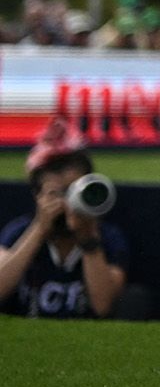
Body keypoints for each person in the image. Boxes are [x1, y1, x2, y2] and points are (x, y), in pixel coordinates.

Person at [0, 119, 128, 319]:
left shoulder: (107, 237)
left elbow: (103, 306)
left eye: (72, 191)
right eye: (55, 194)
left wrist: (88, 241)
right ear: (37, 195)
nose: (66, 202)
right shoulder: (18, 232)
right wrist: (39, 229)